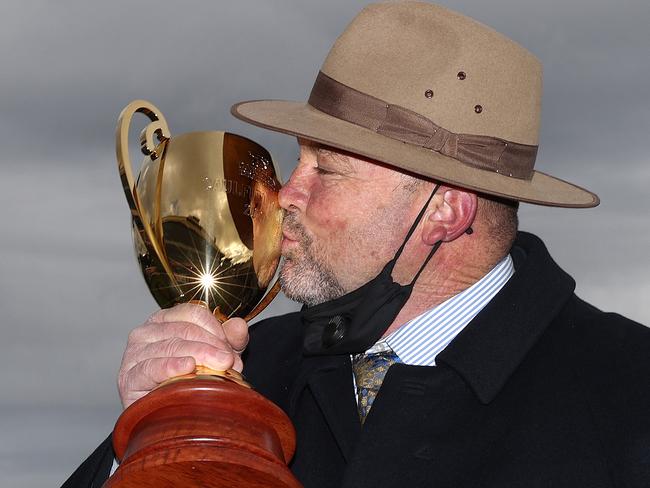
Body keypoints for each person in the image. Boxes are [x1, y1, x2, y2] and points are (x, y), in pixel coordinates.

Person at [63, 2, 650, 487]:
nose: (286, 194)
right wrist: (143, 441)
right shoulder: (248, 368)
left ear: (445, 209)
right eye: (299, 158)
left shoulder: (628, 393)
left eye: (329, 170)